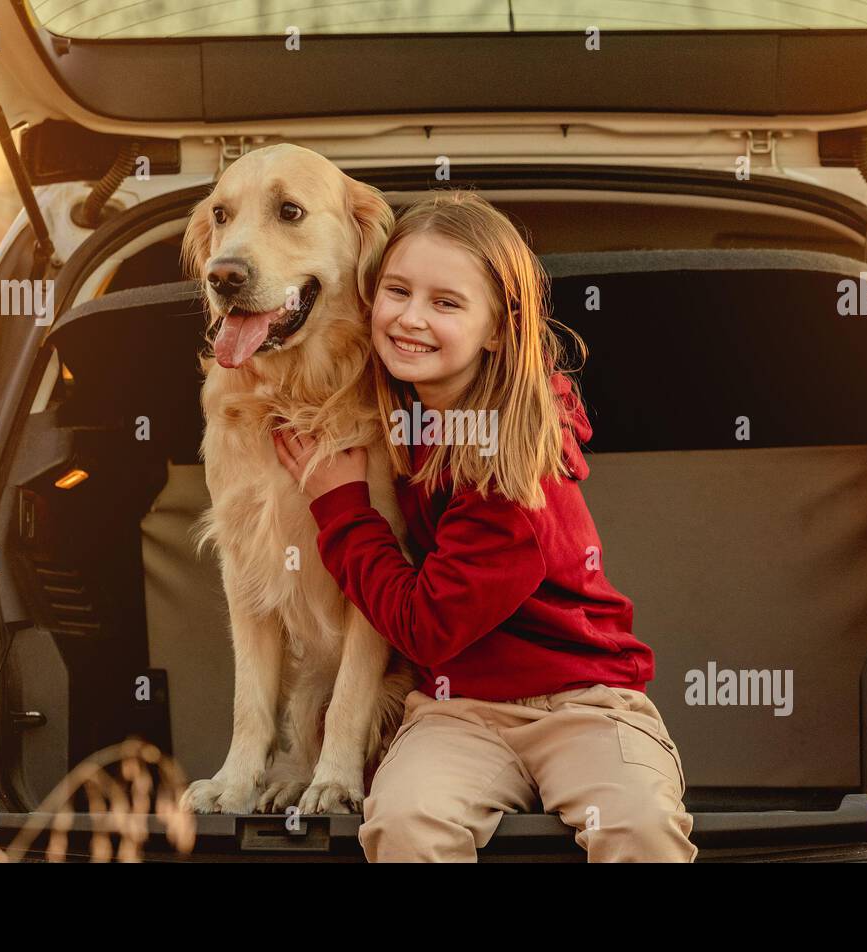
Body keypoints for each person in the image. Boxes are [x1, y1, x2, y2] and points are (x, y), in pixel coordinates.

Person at [273, 188, 696, 863]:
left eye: (446, 303)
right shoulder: (398, 416)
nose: (411, 318)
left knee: (639, 828)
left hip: (583, 703)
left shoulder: (516, 465)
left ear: (499, 329)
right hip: (457, 709)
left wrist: (342, 508)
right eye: (397, 291)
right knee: (406, 824)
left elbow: (427, 626)